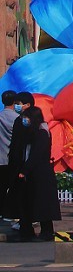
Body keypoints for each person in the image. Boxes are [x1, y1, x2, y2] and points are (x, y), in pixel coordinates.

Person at [4, 105, 60, 241]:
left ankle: (46, 232)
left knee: (42, 203)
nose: (25, 120)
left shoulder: (42, 132)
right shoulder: (30, 131)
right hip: (28, 173)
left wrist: (25, 170)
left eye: (27, 118)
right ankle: (26, 230)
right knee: (26, 202)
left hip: (39, 173)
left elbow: (36, 154)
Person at [0, 89, 16, 218]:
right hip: (11, 158)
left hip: (0, 158)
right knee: (13, 187)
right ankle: (8, 212)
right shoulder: (17, 118)